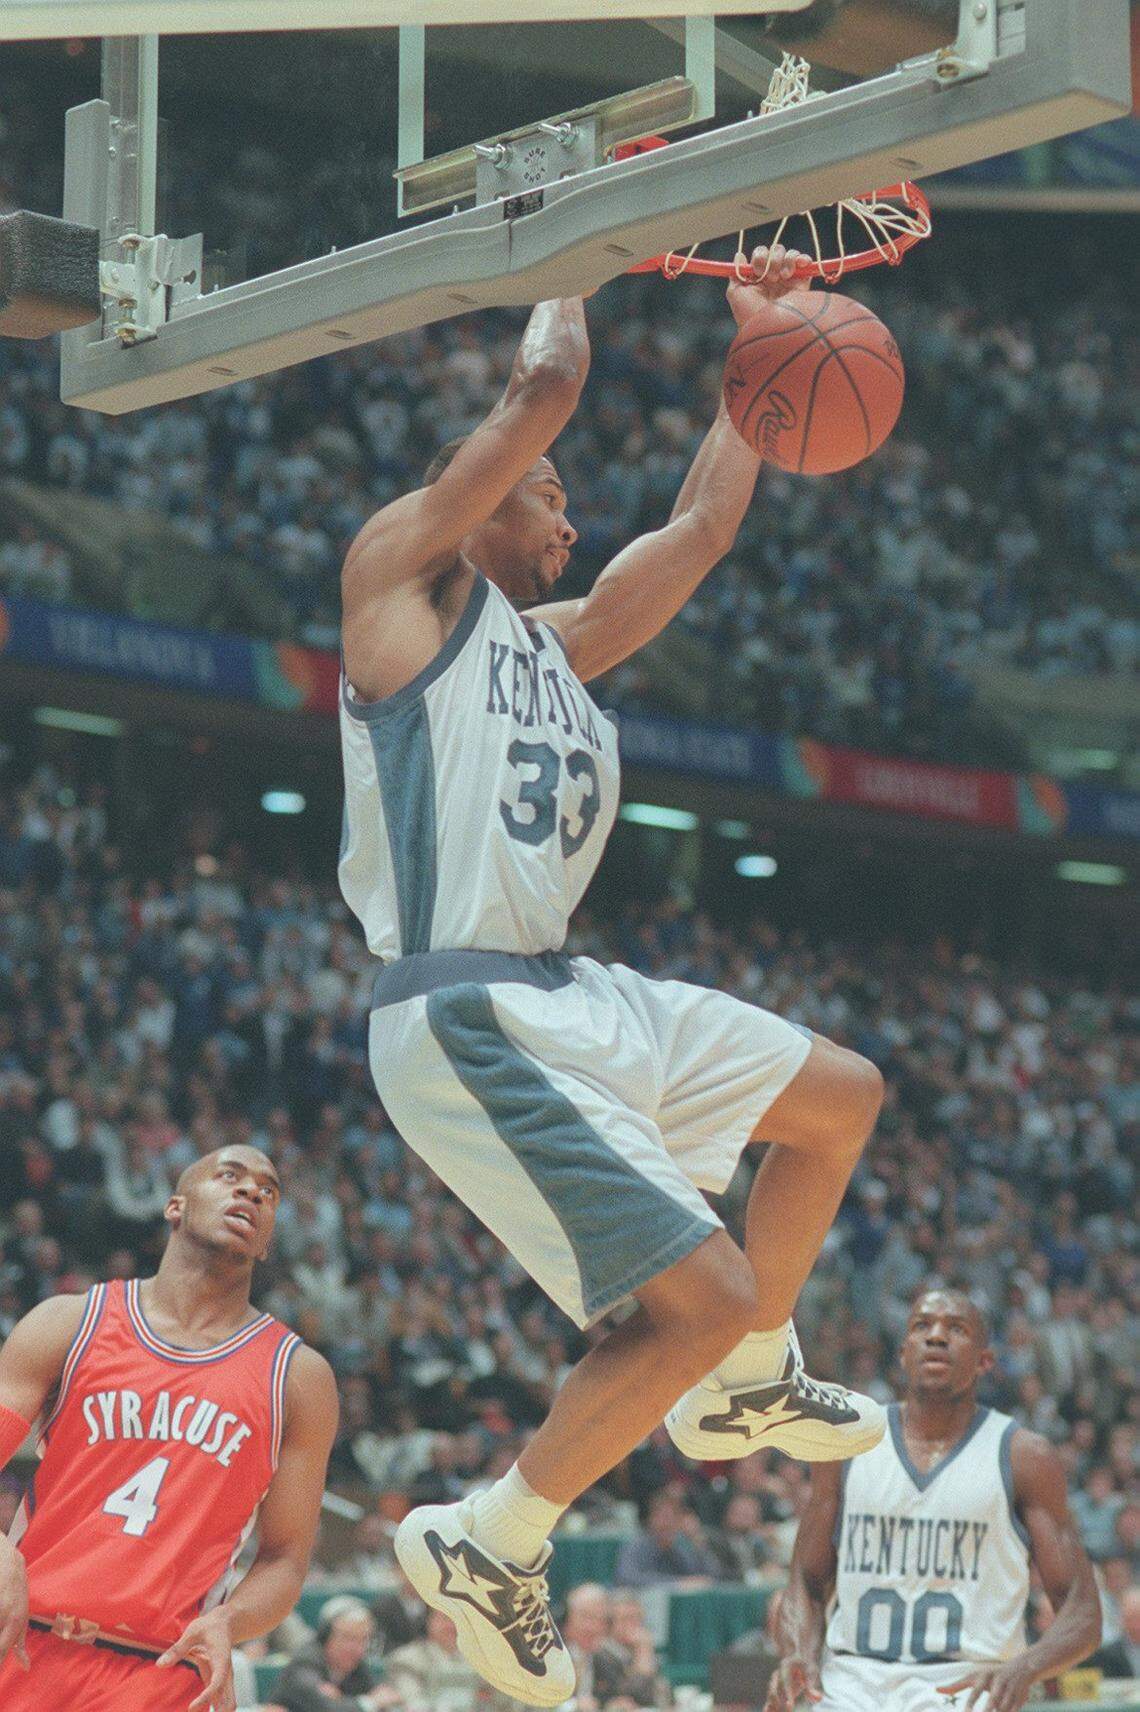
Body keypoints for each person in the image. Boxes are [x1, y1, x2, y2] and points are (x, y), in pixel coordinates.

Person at [339, 251, 887, 1708]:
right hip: (463, 1008)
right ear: (476, 488)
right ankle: (492, 1539)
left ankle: (751, 1375)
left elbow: (704, 523)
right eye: (550, 495)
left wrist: (756, 341)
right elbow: (547, 383)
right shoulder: (396, 589)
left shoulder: (561, 650)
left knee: (839, 1100)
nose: (573, 517)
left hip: (569, 990)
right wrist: (571, 249)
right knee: (690, 1293)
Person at [0, 1146, 340, 1712]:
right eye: (229, 1176)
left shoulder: (298, 1378)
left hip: (164, 1672)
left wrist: (230, 1621)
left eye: (268, 1190)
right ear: (175, 1206)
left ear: (267, 1240)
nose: (252, 1192)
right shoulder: (72, 1322)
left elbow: (284, 1557)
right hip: (24, 1643)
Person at [766, 1287, 1103, 1712]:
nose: (937, 1337)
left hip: (968, 1686)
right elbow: (807, 1583)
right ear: (904, 1352)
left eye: (956, 1329)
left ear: (985, 1361)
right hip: (849, 1685)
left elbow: (1083, 1613)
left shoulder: (1025, 1457)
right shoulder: (845, 1444)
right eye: (922, 1326)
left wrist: (1025, 1667)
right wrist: (798, 1653)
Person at [274, 1596, 402, 1712]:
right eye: (348, 1638)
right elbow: (325, 1708)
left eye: (363, 1639)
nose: (356, 1648)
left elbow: (383, 1697)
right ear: (326, 1636)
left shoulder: (357, 1667)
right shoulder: (304, 1663)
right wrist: (369, 1702)